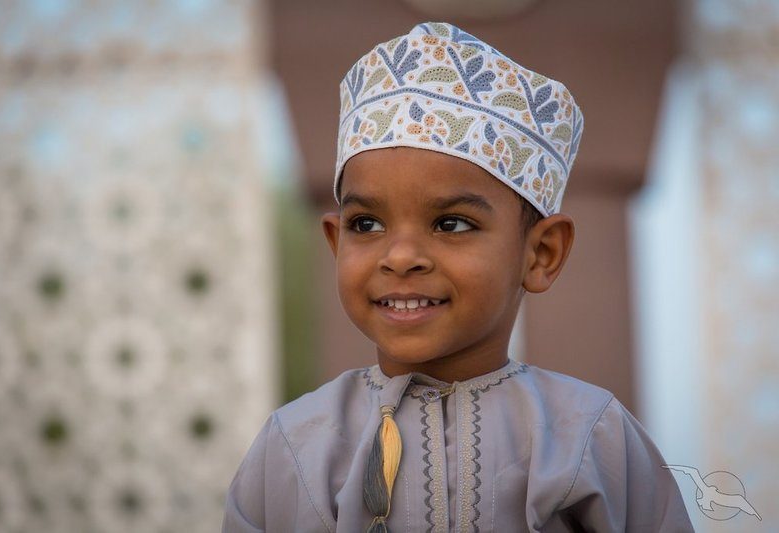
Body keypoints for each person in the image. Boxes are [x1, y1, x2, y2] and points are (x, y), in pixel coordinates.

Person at [223, 22, 693, 532]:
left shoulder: (589, 437)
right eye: (367, 224)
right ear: (337, 244)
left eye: (451, 224)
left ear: (541, 253)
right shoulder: (295, 446)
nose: (401, 257)